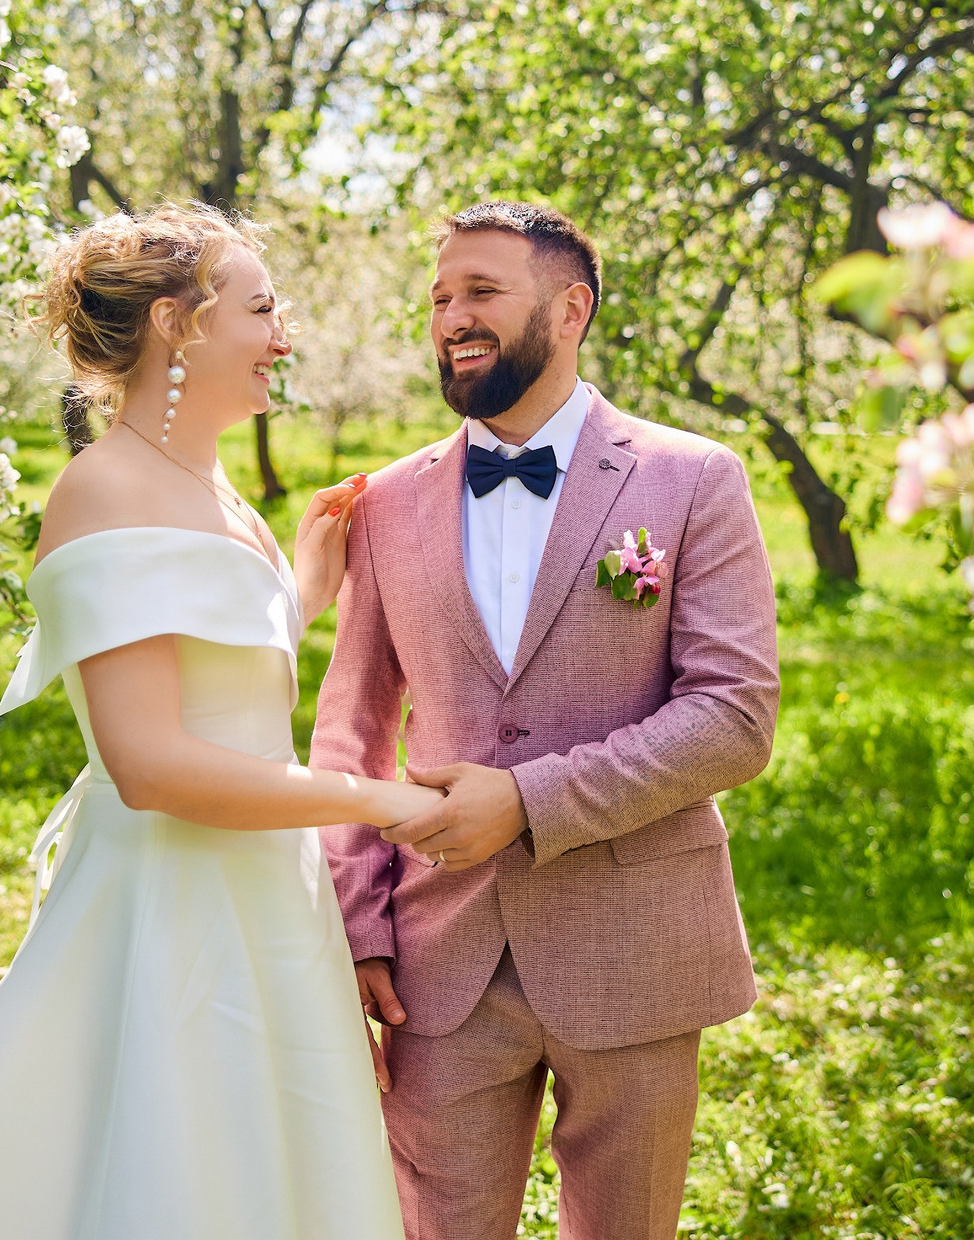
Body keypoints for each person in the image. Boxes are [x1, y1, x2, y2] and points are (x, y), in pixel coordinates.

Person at [0, 203, 438, 1240]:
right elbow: (149, 759)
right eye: (260, 309)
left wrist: (297, 590)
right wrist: (381, 799)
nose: (283, 336)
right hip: (171, 900)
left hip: (264, 888)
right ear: (177, 324)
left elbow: (206, 670)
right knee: (175, 1157)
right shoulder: (101, 491)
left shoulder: (210, 484)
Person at [312, 200, 780, 1240]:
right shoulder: (383, 502)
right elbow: (349, 726)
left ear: (570, 309)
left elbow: (735, 715)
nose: (451, 318)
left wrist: (526, 803)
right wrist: (354, 921)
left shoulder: (692, 477)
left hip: (638, 950)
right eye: (438, 298)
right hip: (437, 961)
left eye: (481, 292)